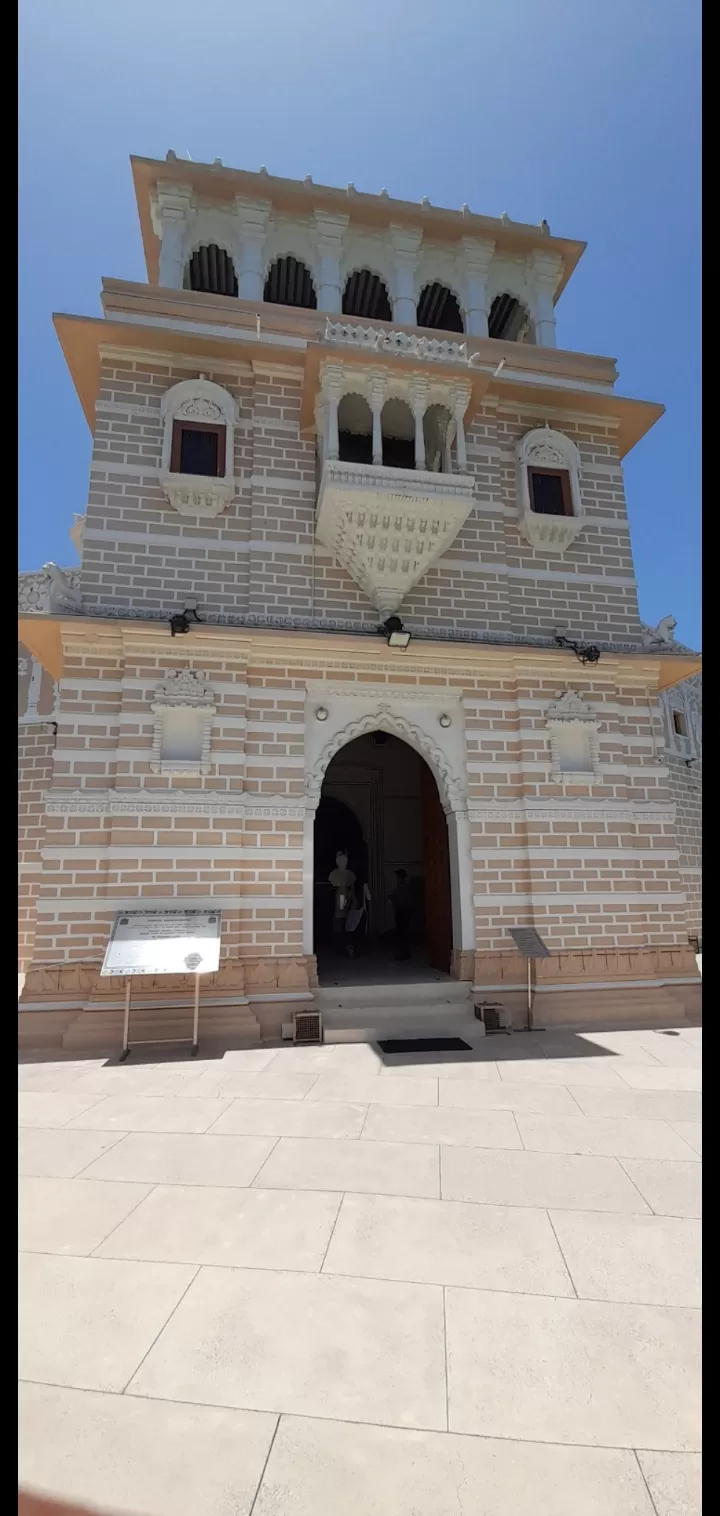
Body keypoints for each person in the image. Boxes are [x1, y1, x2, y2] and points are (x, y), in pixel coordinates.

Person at [390, 868, 412, 960]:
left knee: (402, 933)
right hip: (403, 911)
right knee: (403, 933)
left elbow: (401, 901)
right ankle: (405, 953)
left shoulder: (402, 886)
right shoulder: (402, 886)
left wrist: (392, 899)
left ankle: (404, 954)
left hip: (402, 911)